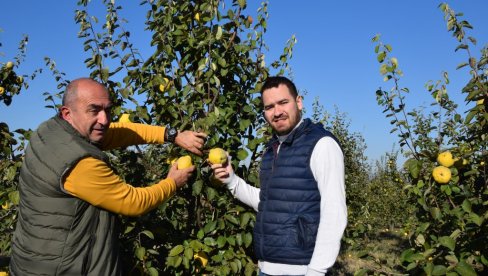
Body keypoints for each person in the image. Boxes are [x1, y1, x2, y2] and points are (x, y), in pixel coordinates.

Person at [9, 78, 207, 275]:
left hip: (32, 261)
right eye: (94, 110)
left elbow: (119, 132)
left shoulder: (50, 130)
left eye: (108, 110)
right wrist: (172, 183)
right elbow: (133, 202)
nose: (104, 120)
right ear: (67, 113)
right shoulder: (79, 162)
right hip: (66, 268)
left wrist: (172, 134)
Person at [211, 76, 347, 276]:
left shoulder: (321, 145)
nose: (277, 112)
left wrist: (317, 271)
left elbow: (334, 211)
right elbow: (268, 202)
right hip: (266, 268)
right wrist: (232, 180)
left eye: (283, 102)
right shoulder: (272, 149)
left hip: (302, 270)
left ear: (298, 102)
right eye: (269, 107)